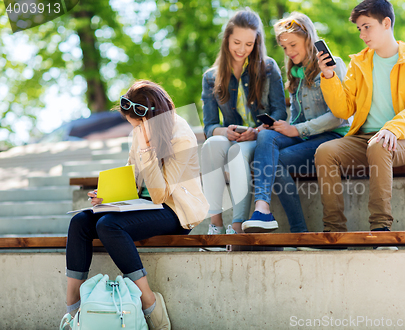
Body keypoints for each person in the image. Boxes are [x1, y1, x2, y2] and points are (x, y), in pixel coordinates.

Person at [63, 80, 209, 330]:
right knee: (80, 222)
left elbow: (160, 194)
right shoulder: (139, 131)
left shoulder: (182, 136)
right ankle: (73, 310)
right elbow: (132, 178)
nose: (134, 131)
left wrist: (146, 150)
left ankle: (149, 303)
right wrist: (107, 195)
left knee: (109, 226)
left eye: (137, 126)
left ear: (151, 119)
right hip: (143, 204)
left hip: (176, 211)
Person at [315, 0, 405, 233]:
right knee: (325, 152)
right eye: (359, 29)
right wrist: (329, 76)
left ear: (386, 23)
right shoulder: (359, 63)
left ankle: (381, 228)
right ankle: (333, 231)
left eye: (366, 27)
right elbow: (344, 109)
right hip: (365, 138)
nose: (362, 34)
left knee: (380, 145)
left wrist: (392, 129)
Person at [241, 12, 349, 233]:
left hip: (332, 137)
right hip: (307, 136)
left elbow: (340, 115)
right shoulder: (295, 73)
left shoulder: (333, 65)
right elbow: (299, 118)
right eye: (284, 47)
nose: (289, 52)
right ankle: (262, 208)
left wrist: (295, 129)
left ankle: (299, 231)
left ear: (308, 39)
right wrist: (279, 126)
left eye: (293, 45)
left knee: (275, 161)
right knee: (266, 135)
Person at [201, 9, 287, 234]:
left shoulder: (268, 68)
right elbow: (209, 126)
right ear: (227, 39)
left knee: (237, 152)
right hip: (231, 136)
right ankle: (216, 225)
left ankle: (237, 228)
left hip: (260, 137)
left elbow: (280, 111)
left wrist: (258, 131)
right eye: (237, 42)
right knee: (210, 146)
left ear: (256, 42)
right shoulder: (211, 77)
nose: (242, 49)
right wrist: (224, 131)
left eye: (249, 44)